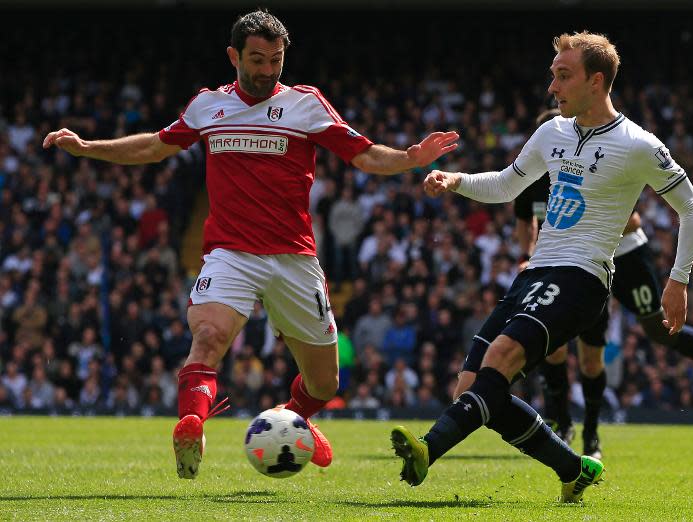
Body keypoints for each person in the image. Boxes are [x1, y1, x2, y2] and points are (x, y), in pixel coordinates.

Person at [43, 9, 458, 480]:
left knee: (324, 382)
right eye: (256, 60)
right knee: (209, 337)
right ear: (233, 56)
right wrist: (89, 147)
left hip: (294, 258)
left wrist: (409, 158)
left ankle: (292, 418)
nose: (265, 70)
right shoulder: (208, 106)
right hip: (230, 254)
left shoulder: (305, 104)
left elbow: (362, 154)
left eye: (275, 61)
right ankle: (192, 425)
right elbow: (155, 146)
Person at [392, 31, 693, 503]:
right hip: (535, 272)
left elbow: (692, 210)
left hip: (582, 278)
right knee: (474, 388)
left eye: (563, 76)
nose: (552, 87)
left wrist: (677, 280)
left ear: (596, 82)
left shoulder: (637, 144)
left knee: (497, 361)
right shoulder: (552, 133)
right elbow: (505, 184)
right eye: (552, 76)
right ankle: (572, 468)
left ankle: (428, 448)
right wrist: (455, 180)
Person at [457, 108, 693, 460]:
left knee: (657, 330)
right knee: (554, 344)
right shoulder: (533, 176)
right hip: (575, 267)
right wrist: (532, 253)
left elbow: (634, 218)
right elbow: (526, 223)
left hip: (625, 255)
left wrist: (584, 229)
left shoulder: (595, 158)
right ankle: (563, 421)